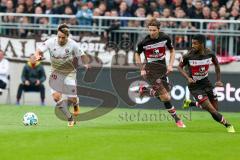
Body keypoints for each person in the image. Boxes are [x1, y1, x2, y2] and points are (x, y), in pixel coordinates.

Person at [178, 34, 235, 133]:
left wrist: (218, 80)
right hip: (195, 86)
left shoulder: (210, 54)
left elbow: (217, 65)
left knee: (215, 109)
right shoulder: (188, 55)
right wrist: (188, 78)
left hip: (206, 83)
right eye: (192, 43)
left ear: (201, 44)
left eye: (195, 44)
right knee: (212, 111)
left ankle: (191, 103)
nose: (193, 46)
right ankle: (228, 125)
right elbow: (179, 67)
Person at [135, 18, 186, 128]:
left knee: (165, 97)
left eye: (154, 30)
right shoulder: (144, 42)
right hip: (150, 70)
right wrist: (141, 68)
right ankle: (177, 120)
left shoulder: (165, 38)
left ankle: (145, 90)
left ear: (159, 29)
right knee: (166, 97)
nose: (151, 32)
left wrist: (171, 65)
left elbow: (172, 50)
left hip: (162, 69)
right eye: (150, 30)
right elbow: (137, 54)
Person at [35, 23, 89, 127]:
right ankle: (70, 118)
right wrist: (38, 56)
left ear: (67, 37)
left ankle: (76, 104)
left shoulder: (73, 44)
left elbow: (82, 55)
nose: (60, 39)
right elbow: (38, 50)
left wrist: (85, 63)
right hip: (55, 72)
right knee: (56, 97)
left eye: (63, 37)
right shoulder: (51, 42)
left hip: (69, 72)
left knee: (72, 98)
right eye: (59, 37)